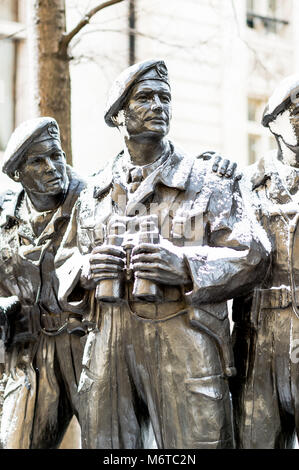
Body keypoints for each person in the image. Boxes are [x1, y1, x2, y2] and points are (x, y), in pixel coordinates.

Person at [57, 59, 269, 449]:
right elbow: (65, 262)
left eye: (165, 98)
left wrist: (187, 265)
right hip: (108, 342)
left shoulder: (207, 181)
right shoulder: (95, 192)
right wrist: (84, 270)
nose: (158, 106)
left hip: (183, 340)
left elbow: (253, 252)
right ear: (118, 116)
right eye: (145, 98)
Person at [0, 117, 86, 448]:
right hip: (30, 349)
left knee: (111, 442)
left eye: (56, 155)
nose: (52, 167)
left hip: (85, 341)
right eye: (38, 161)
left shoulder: (92, 198)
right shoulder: (6, 216)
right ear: (18, 174)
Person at [227, 75, 299, 449]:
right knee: (255, 440)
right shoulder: (243, 185)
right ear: (273, 122)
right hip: (257, 338)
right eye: (297, 111)